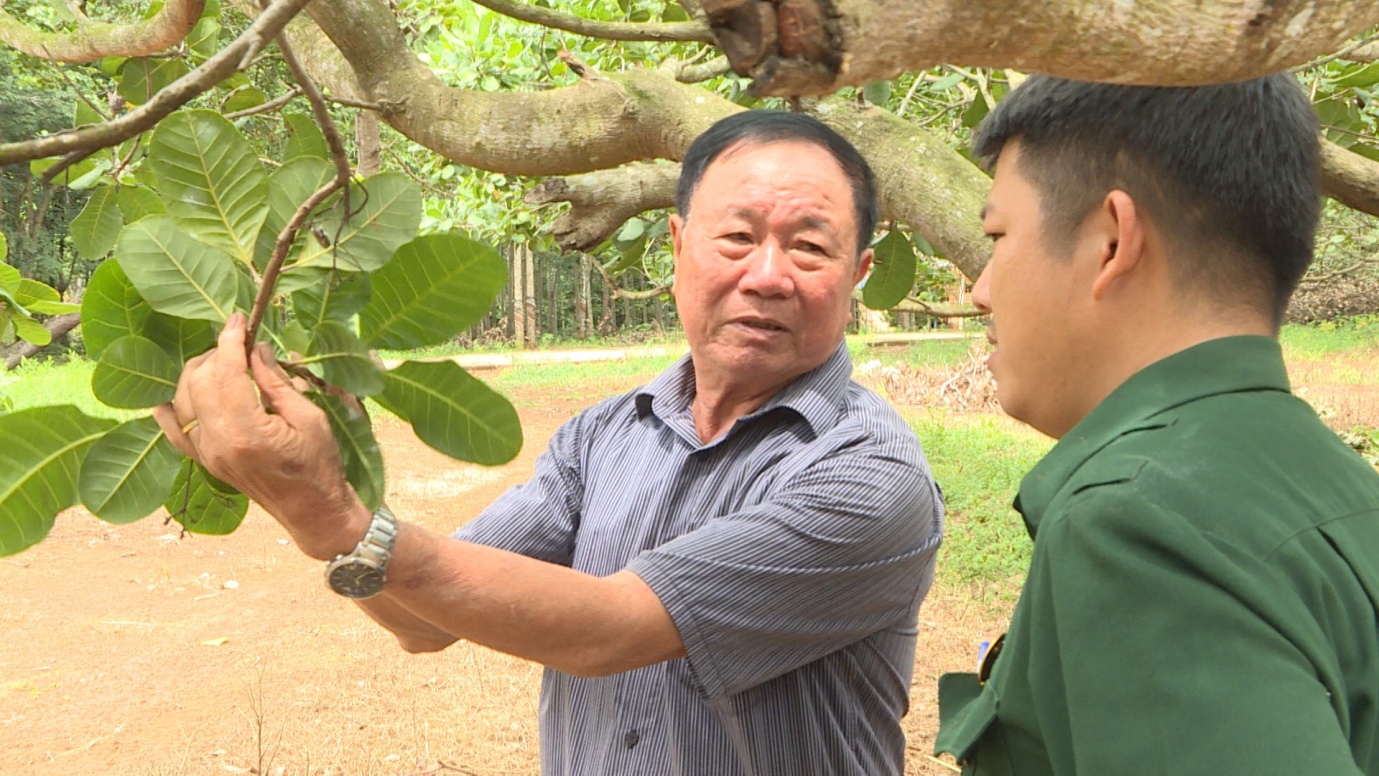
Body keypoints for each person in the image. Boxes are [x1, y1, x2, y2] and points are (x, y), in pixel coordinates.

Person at [153, 110, 944, 775]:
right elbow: (423, 622)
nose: (768, 274)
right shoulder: (600, 437)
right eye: (736, 236)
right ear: (676, 249)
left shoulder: (870, 476)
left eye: (809, 247)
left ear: (858, 273)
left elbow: (612, 628)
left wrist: (329, 512)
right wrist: (310, 510)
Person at [933, 74, 1379, 774]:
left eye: (996, 235)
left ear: (1111, 241)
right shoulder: (1338, 480)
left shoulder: (1136, 522)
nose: (981, 292)